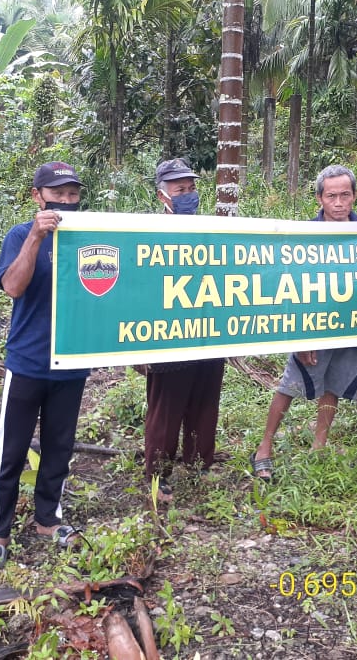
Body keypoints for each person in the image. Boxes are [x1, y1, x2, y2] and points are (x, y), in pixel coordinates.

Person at [0, 161, 91, 571]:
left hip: (73, 364)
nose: (66, 200)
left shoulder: (89, 238)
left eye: (73, 193)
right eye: (57, 193)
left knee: (59, 448)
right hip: (27, 362)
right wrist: (37, 238)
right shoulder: (20, 236)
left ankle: (48, 520)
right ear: (37, 196)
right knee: (11, 452)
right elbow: (13, 286)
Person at [250, 164, 357, 482]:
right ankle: (264, 448)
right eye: (332, 196)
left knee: (335, 387)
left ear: (355, 196)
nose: (339, 203)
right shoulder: (303, 237)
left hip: (351, 328)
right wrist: (299, 337)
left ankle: (319, 448)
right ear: (320, 198)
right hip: (312, 329)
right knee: (289, 384)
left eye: (345, 195)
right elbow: (289, 288)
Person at [140, 158, 226, 502]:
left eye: (191, 189)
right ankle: (157, 475)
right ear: (164, 196)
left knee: (205, 403)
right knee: (166, 408)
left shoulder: (211, 229)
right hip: (167, 337)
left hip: (208, 332)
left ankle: (199, 466)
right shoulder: (148, 234)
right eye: (180, 190)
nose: (188, 195)